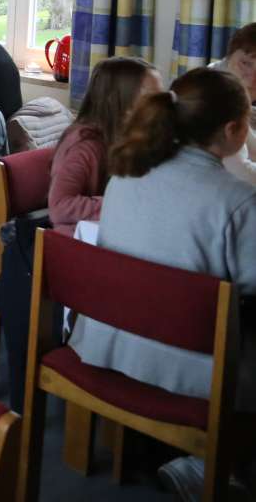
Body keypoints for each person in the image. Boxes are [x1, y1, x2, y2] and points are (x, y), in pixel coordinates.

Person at [68, 67, 256, 415]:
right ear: (233, 131)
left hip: (113, 342)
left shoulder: (125, 177)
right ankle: (220, 463)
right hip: (191, 369)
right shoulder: (238, 200)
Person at [47, 56, 161, 232]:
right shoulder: (85, 146)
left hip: (112, 229)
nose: (160, 107)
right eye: (151, 98)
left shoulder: (128, 135)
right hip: (77, 240)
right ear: (119, 99)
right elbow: (59, 207)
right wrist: (120, 204)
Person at [209, 22, 256, 184]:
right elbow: (243, 171)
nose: (253, 76)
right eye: (245, 63)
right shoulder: (214, 92)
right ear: (229, 57)